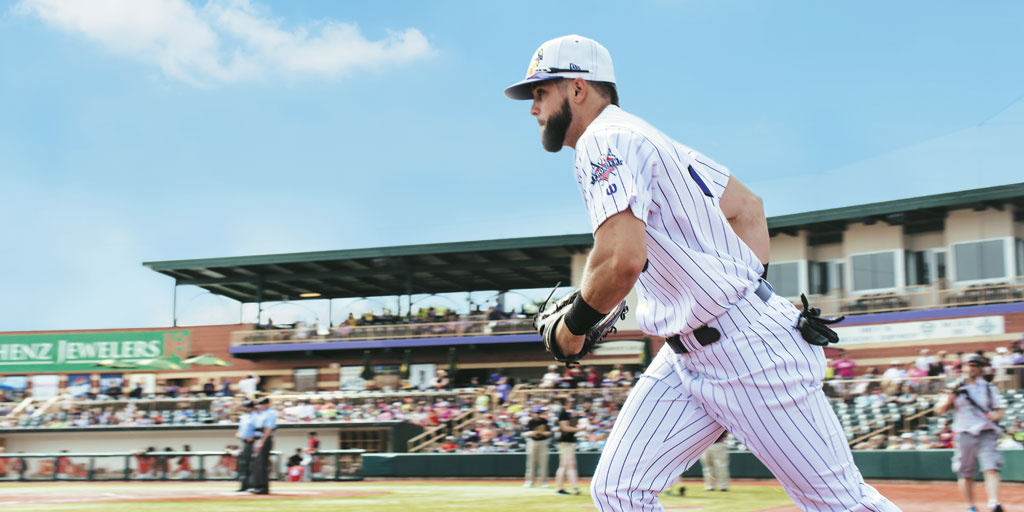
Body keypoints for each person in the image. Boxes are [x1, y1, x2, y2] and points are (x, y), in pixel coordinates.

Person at [505, 35, 899, 511]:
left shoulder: (602, 141)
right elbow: (748, 209)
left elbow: (621, 259)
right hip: (687, 356)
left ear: (578, 88)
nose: (533, 107)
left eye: (541, 92)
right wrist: (746, 291)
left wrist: (572, 330)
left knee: (841, 504)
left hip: (750, 354)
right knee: (618, 491)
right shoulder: (648, 139)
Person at [935, 354, 1005, 512]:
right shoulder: (953, 387)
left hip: (986, 431)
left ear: (980, 368)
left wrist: (995, 415)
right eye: (969, 365)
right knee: (965, 472)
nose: (972, 368)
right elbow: (939, 409)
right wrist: (950, 398)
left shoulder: (988, 387)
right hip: (964, 432)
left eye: (975, 365)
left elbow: (999, 411)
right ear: (964, 367)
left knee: (991, 467)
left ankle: (994, 503)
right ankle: (971, 506)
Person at [248, 397, 277, 495]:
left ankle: (263, 487)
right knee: (257, 464)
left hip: (264, 439)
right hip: (259, 438)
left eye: (261, 404)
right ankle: (257, 485)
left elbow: (268, 429)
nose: (259, 406)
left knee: (262, 464)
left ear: (266, 404)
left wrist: (261, 442)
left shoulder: (270, 413)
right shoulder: (262, 413)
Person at [553, 401, 581, 495]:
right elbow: (564, 428)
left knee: (567, 465)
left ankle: (573, 487)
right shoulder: (563, 414)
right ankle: (561, 488)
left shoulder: (567, 414)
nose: (571, 404)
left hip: (567, 442)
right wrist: (580, 429)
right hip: (565, 443)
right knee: (566, 465)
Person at [522, 406, 551, 488]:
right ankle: (529, 481)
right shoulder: (530, 422)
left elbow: (548, 433)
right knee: (530, 463)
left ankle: (544, 482)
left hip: (542, 442)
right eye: (535, 413)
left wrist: (540, 432)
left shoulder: (544, 421)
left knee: (543, 463)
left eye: (538, 413)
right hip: (532, 442)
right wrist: (533, 433)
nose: (537, 414)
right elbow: (524, 433)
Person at [234, 400, 257, 492]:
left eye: (247, 407)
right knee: (243, 465)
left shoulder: (255, 417)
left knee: (252, 465)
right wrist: (238, 434)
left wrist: (252, 437)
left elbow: (258, 430)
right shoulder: (244, 417)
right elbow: (240, 429)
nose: (245, 409)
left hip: (252, 442)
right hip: (244, 442)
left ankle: (252, 485)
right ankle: (244, 485)